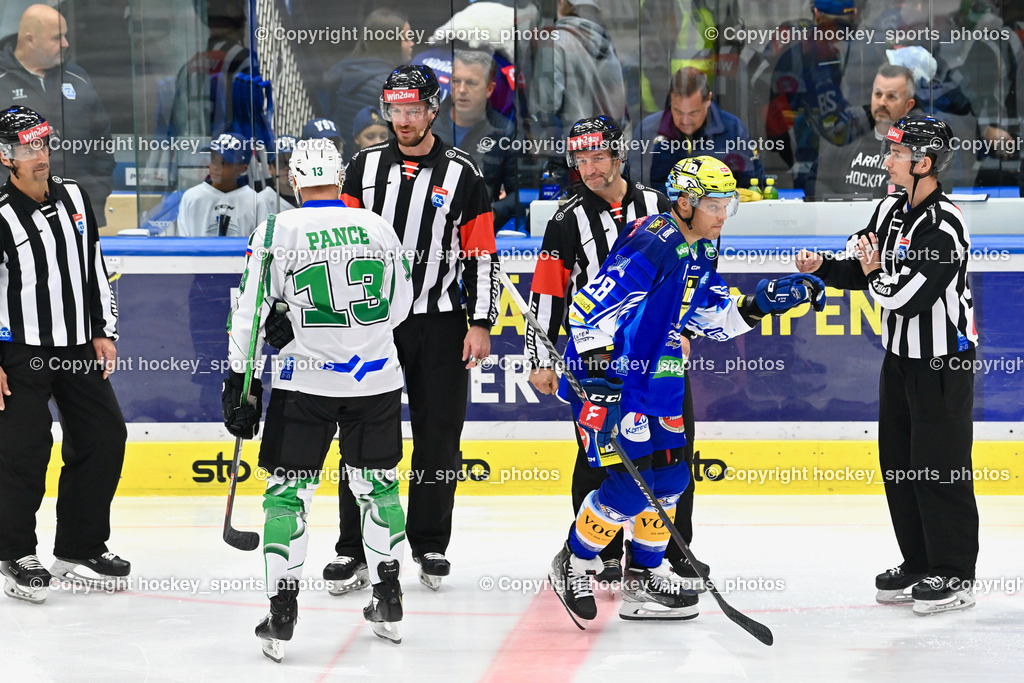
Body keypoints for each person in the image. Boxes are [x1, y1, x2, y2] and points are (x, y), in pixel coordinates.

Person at [549, 155, 825, 624]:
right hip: (617, 379)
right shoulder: (655, 241)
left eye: (728, 205)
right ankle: (572, 563)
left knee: (673, 479)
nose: (722, 215)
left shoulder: (702, 247)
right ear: (685, 201)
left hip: (660, 379)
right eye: (715, 204)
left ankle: (645, 575)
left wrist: (759, 305)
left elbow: (702, 315)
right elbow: (588, 307)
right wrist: (599, 372)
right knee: (633, 487)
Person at [223, 139, 414, 661]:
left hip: (303, 385)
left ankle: (281, 615)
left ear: (293, 180)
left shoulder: (277, 230)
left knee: (288, 498)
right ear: (339, 176)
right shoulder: (378, 226)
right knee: (380, 492)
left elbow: (248, 311)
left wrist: (240, 381)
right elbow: (400, 306)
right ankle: (389, 599)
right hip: (376, 382)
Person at [796, 115, 979, 616]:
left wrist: (873, 270)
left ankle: (957, 573)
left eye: (896, 155)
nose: (887, 161)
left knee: (940, 469)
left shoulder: (946, 224)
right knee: (899, 465)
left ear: (924, 164)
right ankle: (920, 562)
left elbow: (908, 298)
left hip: (942, 363)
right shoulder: (888, 209)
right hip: (899, 360)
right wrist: (824, 269)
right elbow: (862, 267)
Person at [328, 64, 500, 593]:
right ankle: (352, 547)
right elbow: (340, 241)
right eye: (394, 110)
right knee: (359, 431)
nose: (403, 120)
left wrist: (481, 322)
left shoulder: (463, 174)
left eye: (413, 110)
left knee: (439, 434)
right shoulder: (362, 167)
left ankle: (429, 542)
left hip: (441, 323)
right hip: (372, 322)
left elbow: (482, 255)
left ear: (433, 110)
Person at [527, 115, 690, 591]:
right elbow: (548, 292)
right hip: (601, 362)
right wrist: (541, 357)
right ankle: (597, 557)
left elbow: (691, 270)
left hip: (659, 359)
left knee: (670, 462)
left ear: (620, 155)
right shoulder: (566, 219)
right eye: (580, 159)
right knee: (602, 460)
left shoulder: (660, 204)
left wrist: (687, 330)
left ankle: (663, 555)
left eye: (598, 157)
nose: (589, 168)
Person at [0, 106, 129, 604]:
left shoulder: (74, 195)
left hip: (78, 347)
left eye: (44, 145)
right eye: (29, 148)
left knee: (104, 438)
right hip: (20, 354)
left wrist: (103, 329)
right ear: (6, 156)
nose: (40, 156)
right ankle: (15, 553)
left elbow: (94, 264)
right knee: (23, 452)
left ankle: (81, 546)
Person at [0, 4, 115, 225]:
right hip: (15, 218)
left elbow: (102, 141)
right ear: (30, 40)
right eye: (57, 37)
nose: (66, 43)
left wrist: (97, 191)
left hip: (80, 210)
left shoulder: (77, 77)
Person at [631, 66, 765, 190]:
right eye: (678, 111)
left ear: (708, 100)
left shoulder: (733, 130)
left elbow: (754, 185)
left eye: (693, 113)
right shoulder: (648, 130)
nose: (685, 120)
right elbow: (633, 186)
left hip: (718, 213)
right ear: (671, 100)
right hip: (662, 213)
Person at [432, 49, 519, 231]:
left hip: (477, 234)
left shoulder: (504, 131)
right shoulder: (430, 123)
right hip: (429, 229)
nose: (462, 90)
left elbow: (517, 193)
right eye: (456, 81)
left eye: (471, 83)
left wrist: (493, 213)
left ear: (489, 89)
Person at [815, 64, 917, 199]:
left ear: (908, 105)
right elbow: (819, 181)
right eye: (878, 94)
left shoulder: (917, 149)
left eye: (891, 96)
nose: (882, 102)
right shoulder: (849, 135)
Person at [529, 0, 626, 140]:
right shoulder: (604, 41)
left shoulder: (554, 42)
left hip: (573, 144)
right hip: (607, 139)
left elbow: (547, 105)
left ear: (561, 3)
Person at [174, 131, 267, 237]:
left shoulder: (255, 201)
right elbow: (183, 243)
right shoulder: (192, 197)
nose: (215, 167)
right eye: (214, 159)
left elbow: (261, 245)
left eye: (224, 162)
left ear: (242, 168)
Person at [259, 135, 298, 214]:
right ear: (270, 168)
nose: (287, 168)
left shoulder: (309, 198)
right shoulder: (261, 201)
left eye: (292, 162)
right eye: (280, 162)